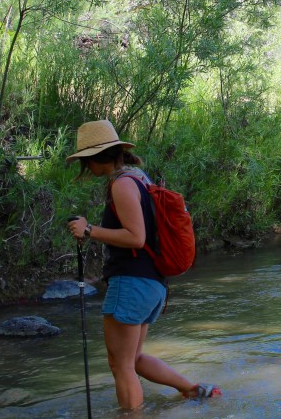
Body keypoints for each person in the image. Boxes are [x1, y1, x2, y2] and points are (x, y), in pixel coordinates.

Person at [65, 119, 221, 409]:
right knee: (133, 359)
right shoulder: (138, 178)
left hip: (131, 282)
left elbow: (136, 238)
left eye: (85, 160)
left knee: (121, 365)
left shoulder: (122, 184)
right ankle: (194, 390)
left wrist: (89, 230)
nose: (85, 167)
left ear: (95, 157)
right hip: (152, 284)